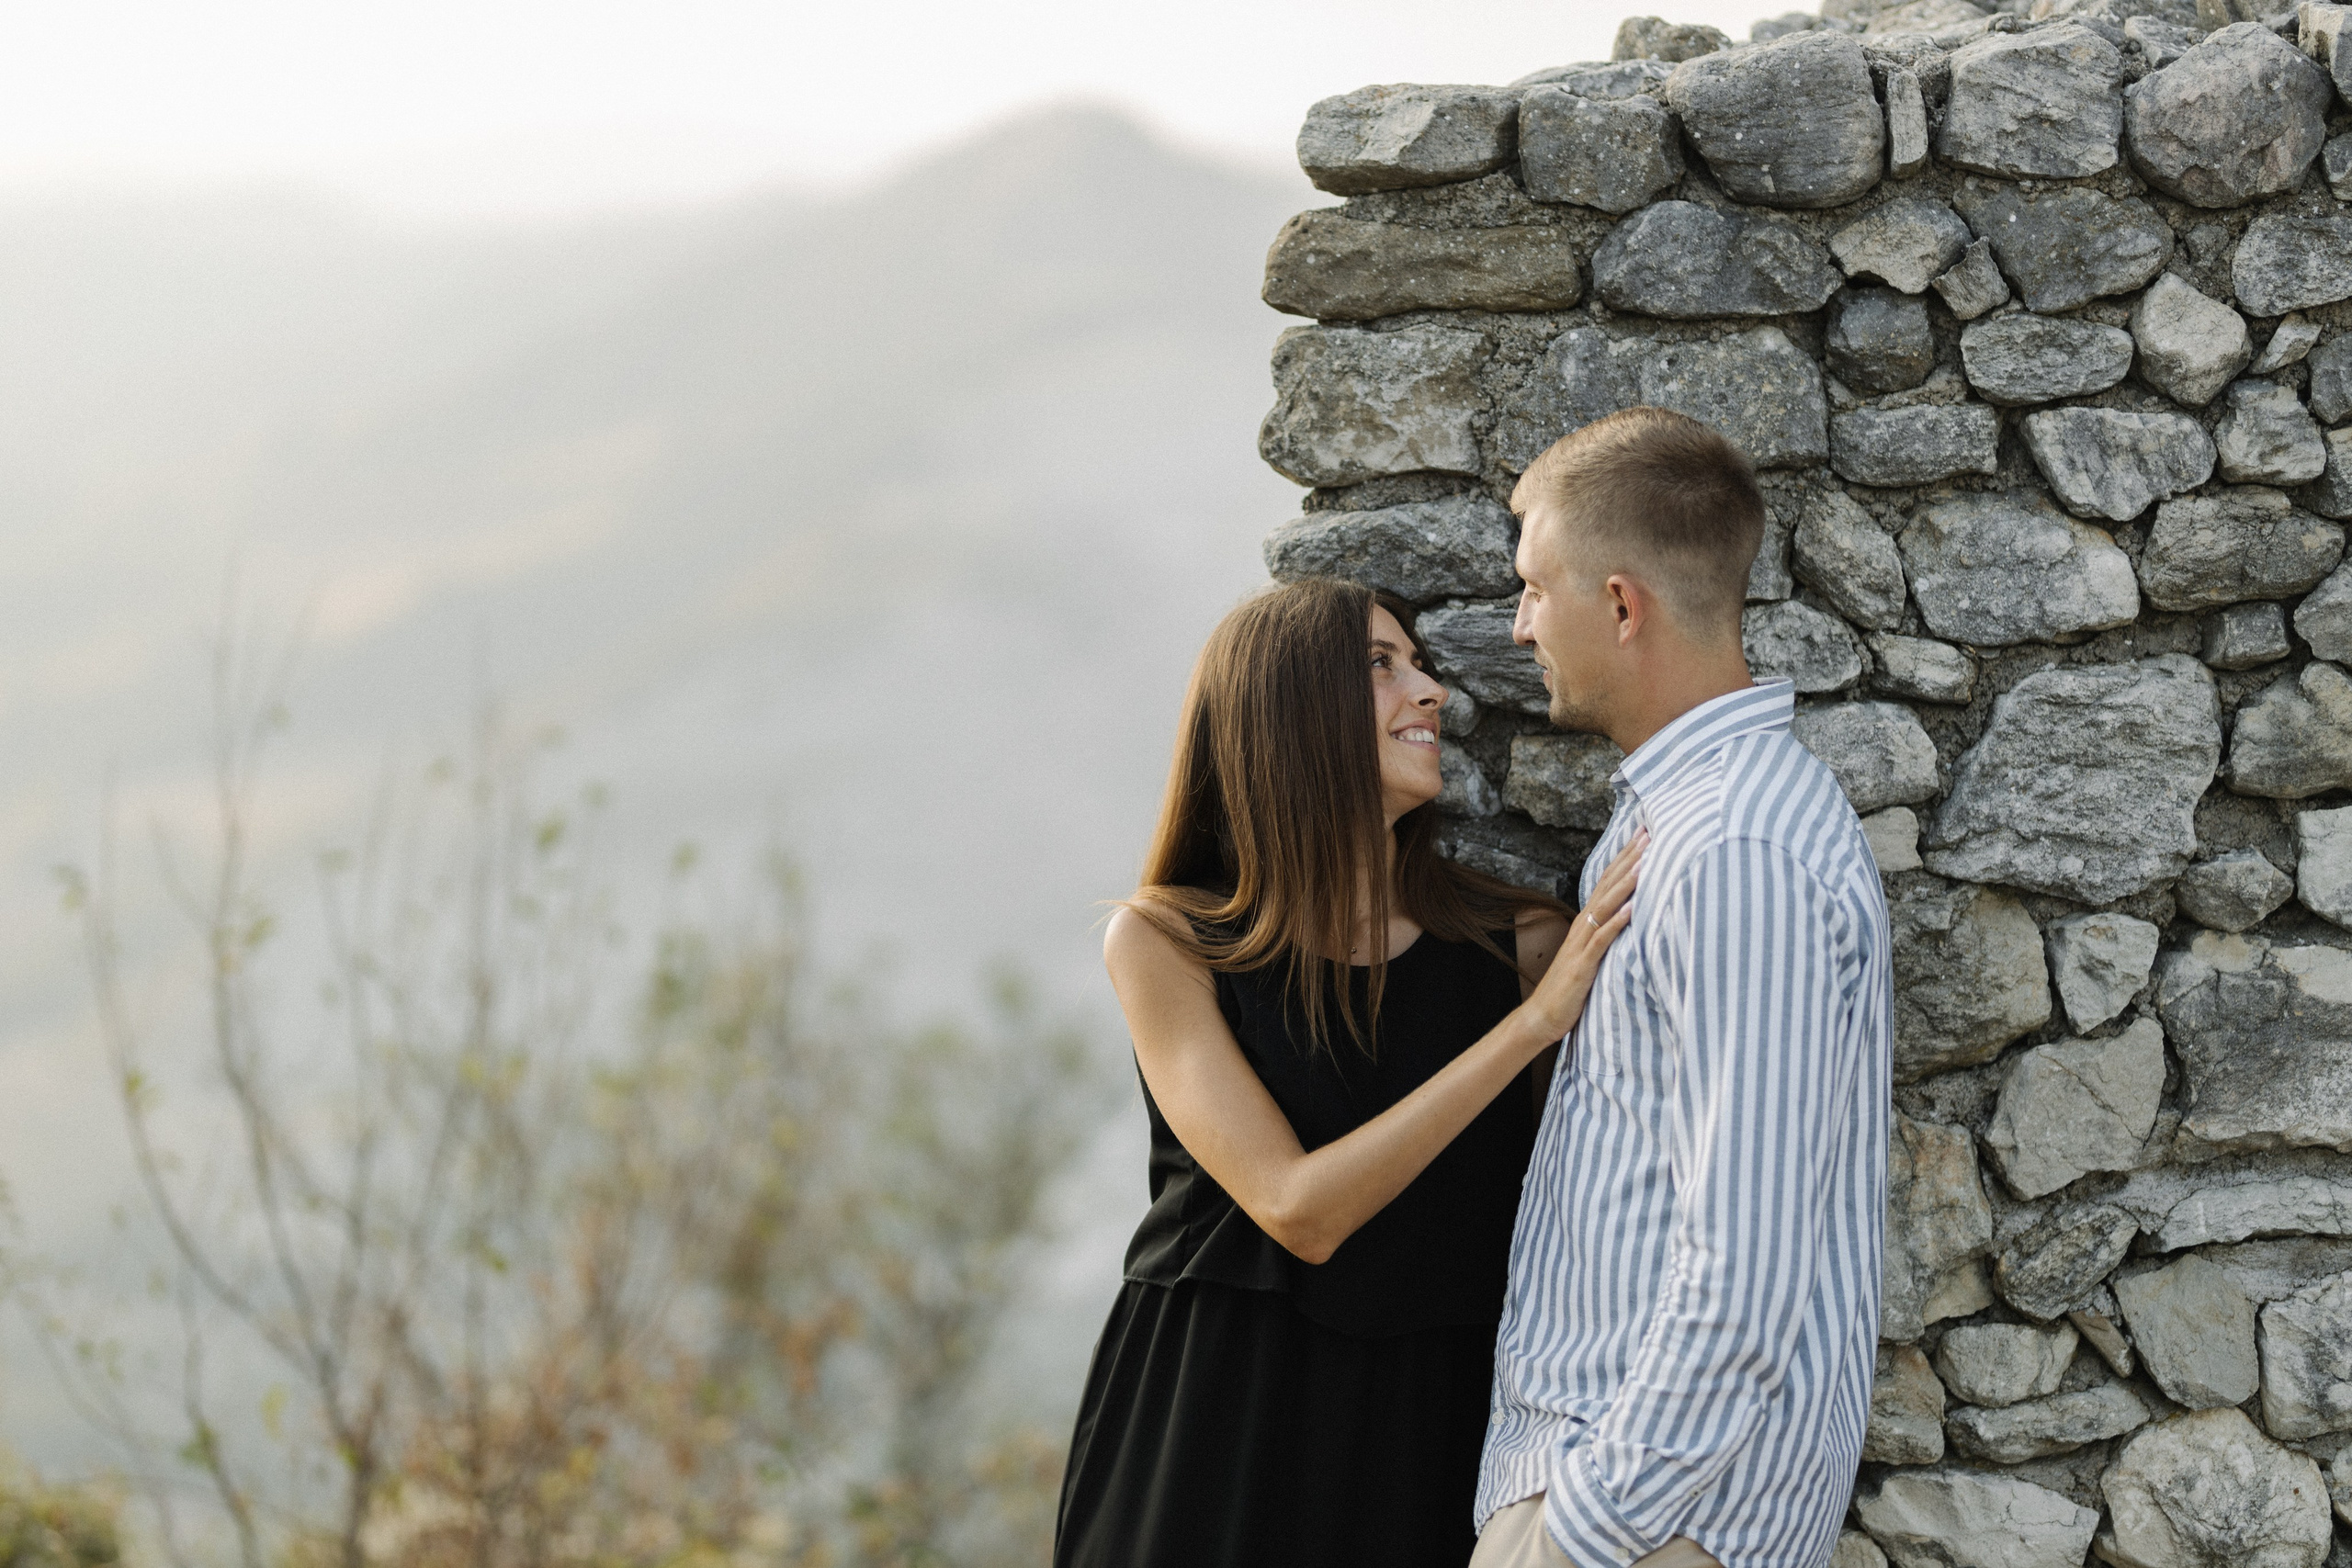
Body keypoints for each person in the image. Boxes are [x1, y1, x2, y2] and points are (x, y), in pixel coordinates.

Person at [1054, 576, 1647, 1568]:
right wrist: (1531, 1029)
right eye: (1381, 666)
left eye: (1416, 664)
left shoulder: (1523, 942)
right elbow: (1297, 1208)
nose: (1431, 694)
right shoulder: (1165, 942)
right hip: (1211, 1425)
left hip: (1428, 1425)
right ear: (1285, 709)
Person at [1471, 407, 1892, 1568]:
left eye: (1533, 589)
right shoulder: (1689, 822)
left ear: (1619, 604)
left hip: (1652, 1526)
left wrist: (1588, 1527)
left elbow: (1742, 1268)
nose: (1516, 628)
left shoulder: (1735, 851)